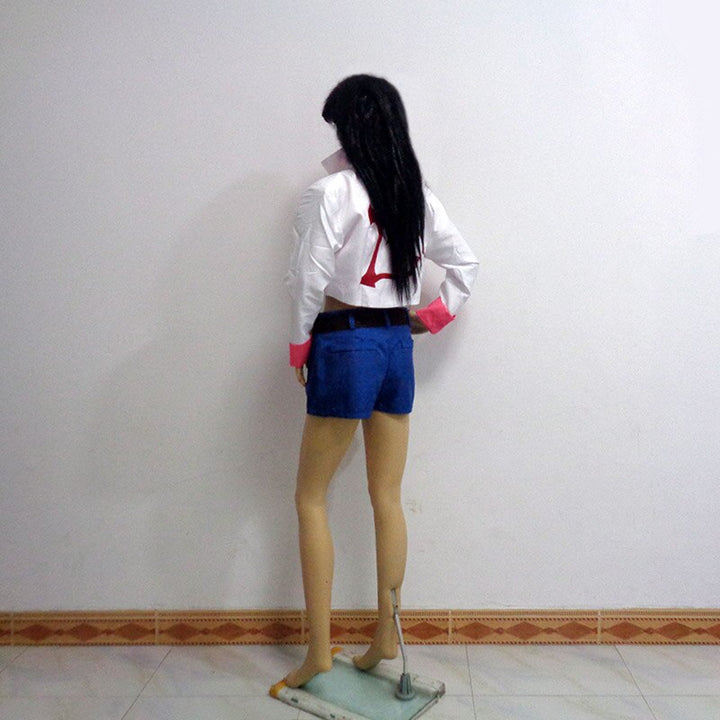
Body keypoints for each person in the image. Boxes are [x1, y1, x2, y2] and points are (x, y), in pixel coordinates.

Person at [279, 74, 478, 689]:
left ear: (348, 126)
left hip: (346, 342)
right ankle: (386, 637)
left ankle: (318, 652)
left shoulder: (330, 191)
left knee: (310, 497)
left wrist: (299, 346)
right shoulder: (414, 192)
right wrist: (432, 317)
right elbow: (465, 263)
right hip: (395, 344)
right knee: (386, 496)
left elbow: (309, 279)